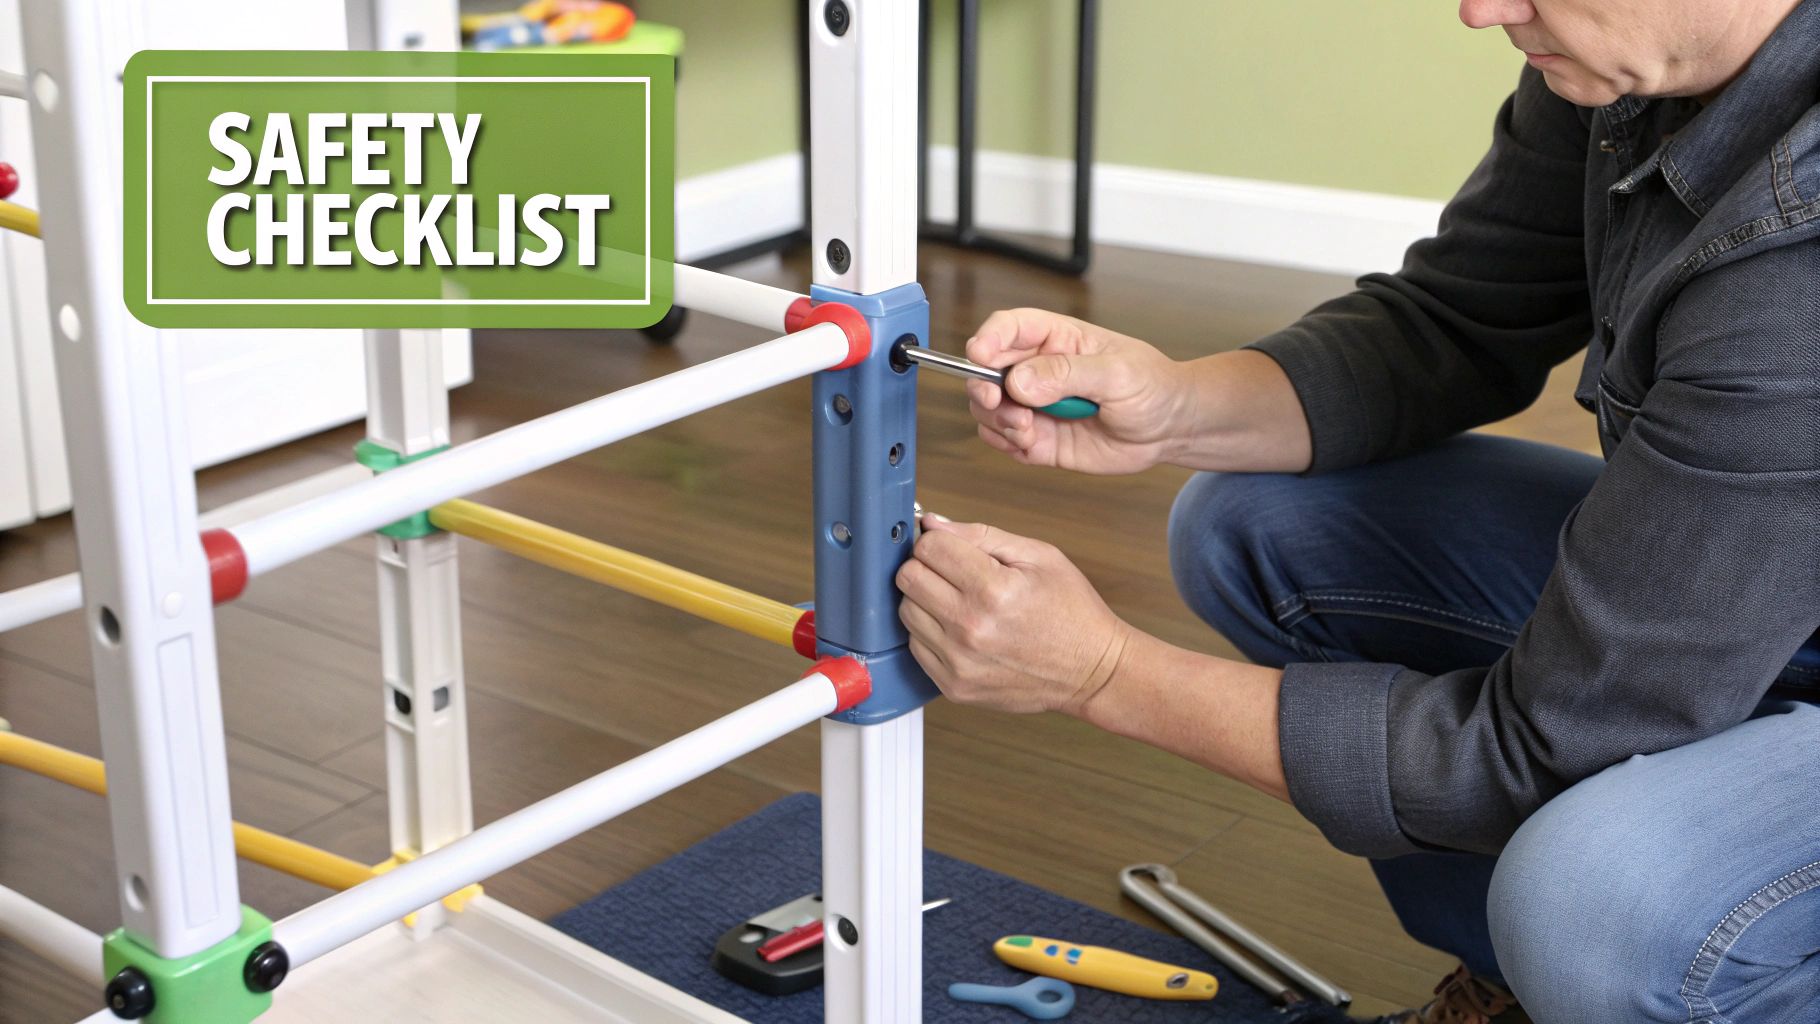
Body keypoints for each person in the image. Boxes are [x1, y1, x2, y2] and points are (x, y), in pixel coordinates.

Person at [894, 1, 1820, 1021]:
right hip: (1770, 588)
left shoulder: (1797, 265)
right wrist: (1169, 406)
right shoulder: (1624, 68)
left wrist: (1101, 672)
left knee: (1593, 902)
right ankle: (1516, 986)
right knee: (1254, 522)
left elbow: (1534, 750)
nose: (1479, 10)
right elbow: (1452, 321)